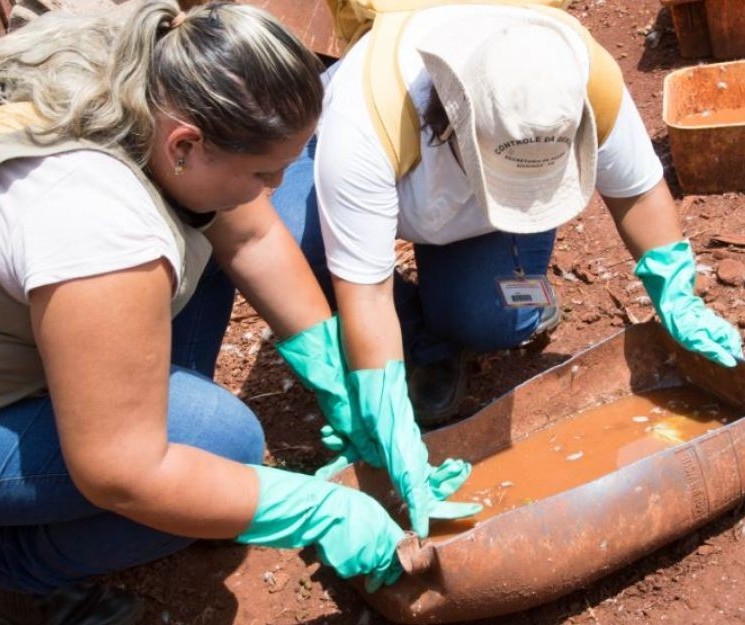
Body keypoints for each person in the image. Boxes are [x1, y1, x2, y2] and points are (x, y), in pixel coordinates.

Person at [0, 2, 479, 623]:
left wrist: (340, 379)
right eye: (263, 171)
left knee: (207, 235)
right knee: (216, 446)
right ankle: (20, 571)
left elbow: (251, 238)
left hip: (39, 326)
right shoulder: (99, 223)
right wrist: (316, 510)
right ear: (186, 144)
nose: (276, 187)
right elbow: (120, 472)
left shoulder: (161, 69)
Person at [272, 2, 744, 431]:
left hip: (468, 213)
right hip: (379, 173)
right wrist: (385, 403)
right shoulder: (366, 123)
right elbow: (367, 295)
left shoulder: (578, 78)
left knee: (489, 319)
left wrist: (677, 295)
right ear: (450, 123)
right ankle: (424, 345)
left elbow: (637, 193)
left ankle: (482, 305)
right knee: (291, 240)